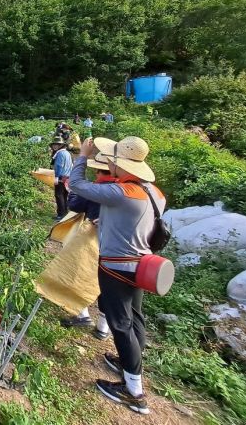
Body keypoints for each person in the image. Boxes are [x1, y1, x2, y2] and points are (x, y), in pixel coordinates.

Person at [70, 136, 165, 415]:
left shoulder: (121, 193)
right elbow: (136, 223)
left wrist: (83, 156)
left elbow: (76, 186)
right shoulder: (154, 192)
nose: (108, 163)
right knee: (135, 317)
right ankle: (130, 364)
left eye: (111, 160)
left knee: (120, 323)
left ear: (121, 164)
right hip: (142, 263)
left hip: (118, 266)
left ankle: (133, 391)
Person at [60, 156, 115, 340]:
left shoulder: (96, 189)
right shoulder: (125, 190)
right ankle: (103, 327)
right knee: (107, 283)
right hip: (118, 246)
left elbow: (74, 205)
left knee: (80, 272)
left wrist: (74, 191)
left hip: (93, 239)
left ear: (100, 172)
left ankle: (82, 314)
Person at [49, 137, 72, 220]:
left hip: (61, 177)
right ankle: (65, 213)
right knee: (64, 195)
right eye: (54, 144)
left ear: (61, 145)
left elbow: (59, 166)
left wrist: (56, 177)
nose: (55, 146)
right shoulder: (67, 153)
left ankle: (61, 214)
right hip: (67, 177)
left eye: (57, 144)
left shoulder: (60, 154)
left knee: (59, 195)